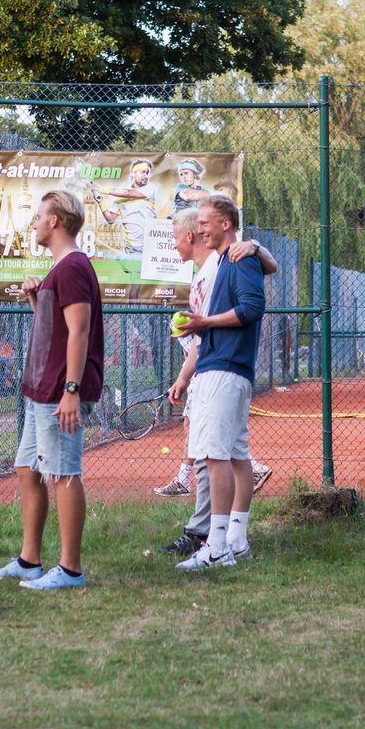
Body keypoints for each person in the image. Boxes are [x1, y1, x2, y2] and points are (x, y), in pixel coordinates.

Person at [0, 190, 105, 591]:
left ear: (55, 221)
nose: (34, 223)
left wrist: (71, 389)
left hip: (60, 391)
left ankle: (71, 570)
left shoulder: (72, 267)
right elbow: (56, 326)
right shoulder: (59, 269)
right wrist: (37, 297)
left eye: (38, 217)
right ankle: (29, 561)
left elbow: (80, 330)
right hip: (43, 390)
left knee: (63, 473)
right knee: (28, 468)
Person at [155, 206, 277, 555]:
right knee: (232, 456)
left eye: (205, 224)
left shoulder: (231, 259)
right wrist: (184, 375)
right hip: (212, 365)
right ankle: (234, 539)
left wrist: (253, 245)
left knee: (214, 456)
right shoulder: (220, 263)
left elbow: (252, 306)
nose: (201, 231)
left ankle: (215, 543)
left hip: (224, 368)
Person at [94, 159, 158, 255]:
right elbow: (110, 219)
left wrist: (100, 189)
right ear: (133, 173)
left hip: (152, 244)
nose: (146, 176)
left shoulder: (150, 188)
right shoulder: (120, 198)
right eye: (143, 172)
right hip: (132, 248)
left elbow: (127, 193)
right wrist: (100, 202)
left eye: (147, 173)